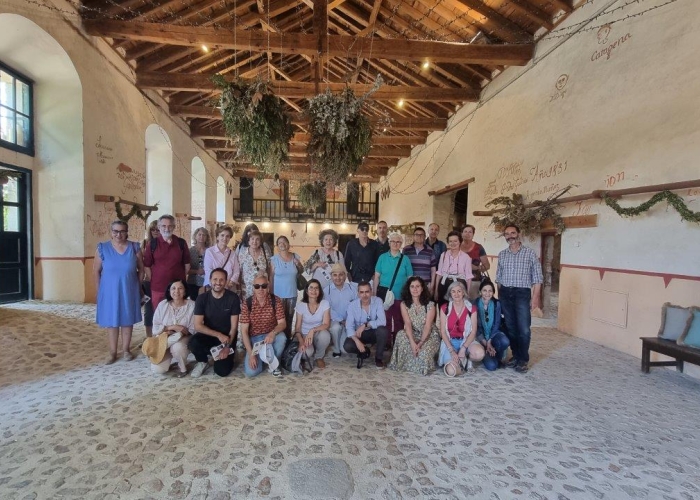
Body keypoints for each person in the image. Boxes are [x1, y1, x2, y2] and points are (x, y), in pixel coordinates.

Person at [495, 224, 543, 373]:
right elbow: (499, 278)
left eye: (513, 233)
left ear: (519, 234)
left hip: (522, 294)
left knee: (523, 329)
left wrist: (535, 298)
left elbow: (538, 278)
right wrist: (499, 297)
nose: (510, 236)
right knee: (511, 328)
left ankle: (523, 359)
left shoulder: (529, 253)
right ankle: (515, 356)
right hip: (505, 294)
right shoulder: (502, 254)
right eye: (507, 234)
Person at [94, 220, 143, 364]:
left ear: (127, 232)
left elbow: (141, 269)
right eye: (115, 231)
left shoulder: (135, 247)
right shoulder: (102, 248)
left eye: (122, 231)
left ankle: (126, 349)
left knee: (127, 320)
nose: (118, 234)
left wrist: (138, 285)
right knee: (112, 321)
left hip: (129, 289)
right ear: (111, 232)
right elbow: (96, 271)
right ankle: (112, 352)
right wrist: (98, 291)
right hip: (108, 291)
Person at [189, 268, 240, 377]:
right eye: (215, 279)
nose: (218, 283)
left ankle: (227, 354)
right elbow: (197, 326)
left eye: (221, 280)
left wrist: (227, 347)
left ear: (226, 281)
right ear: (210, 280)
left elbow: (234, 327)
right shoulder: (202, 298)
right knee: (193, 342)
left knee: (222, 371)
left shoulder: (233, 298)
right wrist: (218, 334)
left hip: (227, 338)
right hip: (209, 334)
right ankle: (203, 361)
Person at [388, 276, 441, 375]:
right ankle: (405, 363)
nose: (415, 289)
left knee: (423, 353)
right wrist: (412, 343)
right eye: (412, 286)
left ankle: (421, 362)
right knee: (400, 335)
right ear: (408, 289)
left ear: (422, 288)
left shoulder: (430, 305)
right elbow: (407, 324)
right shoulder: (404, 304)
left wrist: (420, 343)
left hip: (429, 335)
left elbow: (427, 326)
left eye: (417, 286)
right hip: (414, 333)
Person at [240, 274, 286, 377]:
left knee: (282, 338)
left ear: (268, 287)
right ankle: (263, 357)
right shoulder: (247, 303)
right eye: (257, 286)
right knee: (252, 372)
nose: (260, 289)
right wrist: (251, 354)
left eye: (264, 286)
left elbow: (282, 323)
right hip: (255, 339)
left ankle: (274, 363)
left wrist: (273, 333)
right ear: (253, 288)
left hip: (271, 335)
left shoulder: (276, 300)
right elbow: (244, 331)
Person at [143, 214, 191, 308]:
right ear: (159, 227)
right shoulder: (152, 244)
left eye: (170, 226)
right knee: (159, 315)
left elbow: (187, 265)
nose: (166, 228)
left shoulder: (181, 243)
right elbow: (147, 265)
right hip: (158, 287)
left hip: (177, 288)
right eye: (163, 226)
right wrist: (154, 278)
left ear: (174, 227)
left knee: (178, 313)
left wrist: (179, 276)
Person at [373, 232, 413, 343]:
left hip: (400, 295)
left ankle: (397, 342)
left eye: (398, 242)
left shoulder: (405, 259)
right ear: (389, 243)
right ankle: (385, 342)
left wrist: (409, 295)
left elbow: (410, 278)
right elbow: (377, 277)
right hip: (384, 296)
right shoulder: (382, 257)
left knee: (399, 320)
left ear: (401, 244)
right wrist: (374, 293)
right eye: (393, 241)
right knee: (385, 319)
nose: (395, 244)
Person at [149, 279, 195, 377]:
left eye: (180, 288)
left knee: (177, 348)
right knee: (158, 370)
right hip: (164, 340)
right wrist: (172, 327)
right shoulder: (163, 305)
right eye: (173, 288)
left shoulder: (191, 305)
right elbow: (155, 327)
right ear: (169, 291)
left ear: (185, 291)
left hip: (184, 338)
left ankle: (183, 367)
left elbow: (193, 329)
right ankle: (167, 357)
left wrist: (181, 332)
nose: (176, 291)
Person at [438, 280, 484, 375]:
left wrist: (463, 348)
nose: (456, 294)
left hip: (466, 340)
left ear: (463, 292)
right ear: (450, 293)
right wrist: (451, 350)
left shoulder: (472, 308)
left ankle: (467, 359)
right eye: (453, 291)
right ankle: (462, 363)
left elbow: (473, 331)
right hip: (450, 342)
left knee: (479, 353)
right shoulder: (444, 308)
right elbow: (443, 332)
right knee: (451, 371)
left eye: (459, 291)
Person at [344, 281, 389, 369]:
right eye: (362, 292)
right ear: (358, 293)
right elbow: (349, 326)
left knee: (383, 331)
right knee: (347, 346)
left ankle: (378, 359)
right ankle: (365, 350)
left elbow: (383, 321)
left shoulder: (378, 301)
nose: (364, 295)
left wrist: (365, 325)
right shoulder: (352, 305)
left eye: (367, 292)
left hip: (373, 332)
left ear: (371, 291)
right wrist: (357, 341)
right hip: (359, 334)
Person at [294, 279, 332, 369]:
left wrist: (313, 330)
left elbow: (326, 324)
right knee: (306, 353)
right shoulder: (301, 306)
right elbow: (297, 329)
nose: (314, 291)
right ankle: (309, 350)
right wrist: (301, 342)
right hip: (304, 334)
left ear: (320, 291)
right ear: (307, 291)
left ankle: (319, 357)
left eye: (316, 288)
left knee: (325, 335)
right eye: (311, 288)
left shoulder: (324, 304)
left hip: (317, 332)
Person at [270, 235, 302, 338]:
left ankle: (288, 338)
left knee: (289, 317)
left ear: (288, 244)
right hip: (278, 294)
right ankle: (279, 338)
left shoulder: (295, 256)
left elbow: (302, 270)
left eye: (284, 242)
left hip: (292, 293)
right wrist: (271, 293)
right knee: (279, 318)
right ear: (277, 246)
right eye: (279, 243)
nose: (282, 244)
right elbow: (271, 277)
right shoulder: (274, 259)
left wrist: (298, 264)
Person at [474, 280, 510, 371]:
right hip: (480, 338)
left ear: (493, 292)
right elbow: (476, 327)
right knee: (492, 366)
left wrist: (489, 342)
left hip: (493, 336)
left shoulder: (496, 304)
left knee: (505, 341)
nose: (487, 293)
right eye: (484, 290)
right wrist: (485, 343)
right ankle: (486, 352)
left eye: (490, 291)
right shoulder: (474, 304)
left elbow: (497, 324)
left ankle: (495, 354)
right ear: (480, 292)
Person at [324, 263, 358, 358]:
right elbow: (328, 309)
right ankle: (336, 348)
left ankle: (340, 342)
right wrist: (341, 320)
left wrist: (349, 320)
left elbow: (356, 306)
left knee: (346, 350)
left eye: (340, 275)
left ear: (345, 276)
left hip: (349, 321)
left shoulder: (352, 289)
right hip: (335, 321)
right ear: (331, 276)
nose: (338, 278)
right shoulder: (327, 291)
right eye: (335, 275)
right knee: (336, 328)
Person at [434, 230, 472, 307]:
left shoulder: (466, 257)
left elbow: (468, 277)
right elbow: (439, 273)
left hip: (459, 285)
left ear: (460, 242)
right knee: (443, 307)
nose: (453, 243)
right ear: (448, 242)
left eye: (455, 241)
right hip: (444, 284)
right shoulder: (444, 255)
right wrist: (436, 291)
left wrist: (467, 292)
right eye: (450, 241)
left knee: (457, 309)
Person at [203, 225, 239, 291]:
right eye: (222, 235)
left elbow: (236, 271)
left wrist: (230, 282)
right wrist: (217, 283)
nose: (225, 238)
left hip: (228, 287)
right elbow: (208, 270)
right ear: (217, 237)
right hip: (213, 287)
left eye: (227, 236)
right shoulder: (210, 251)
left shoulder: (232, 254)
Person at [402, 226, 437, 293]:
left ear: (425, 237)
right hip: (411, 285)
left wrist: (432, 285)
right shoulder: (406, 250)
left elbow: (433, 269)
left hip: (425, 285)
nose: (419, 236)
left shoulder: (430, 251)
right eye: (417, 235)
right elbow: (402, 268)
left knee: (425, 303)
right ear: (413, 236)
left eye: (421, 235)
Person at [238, 230, 270, 300]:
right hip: (247, 290)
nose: (254, 242)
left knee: (262, 309)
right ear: (248, 241)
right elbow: (239, 271)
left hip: (262, 289)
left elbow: (269, 269)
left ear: (260, 242)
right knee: (248, 309)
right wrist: (239, 288)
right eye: (252, 239)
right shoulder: (243, 253)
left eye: (257, 239)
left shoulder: (265, 253)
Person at [461, 224, 490, 299]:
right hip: (458, 281)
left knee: (473, 306)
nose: (467, 234)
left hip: (474, 282)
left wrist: (477, 268)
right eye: (465, 231)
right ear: (462, 233)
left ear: (473, 234)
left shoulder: (478, 247)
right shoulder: (457, 246)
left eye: (470, 232)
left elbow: (487, 266)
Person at [141, 220, 160, 337]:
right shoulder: (144, 243)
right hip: (148, 281)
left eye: (158, 229)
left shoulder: (165, 243)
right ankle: (148, 336)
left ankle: (160, 334)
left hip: (161, 280)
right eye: (153, 229)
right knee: (148, 309)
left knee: (161, 307)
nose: (155, 232)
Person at [187, 227, 210, 300]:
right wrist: (197, 271)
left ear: (207, 237)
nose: (201, 237)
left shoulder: (210, 251)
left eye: (204, 235)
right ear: (195, 236)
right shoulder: (190, 251)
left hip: (206, 282)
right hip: (192, 281)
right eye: (199, 234)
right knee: (193, 302)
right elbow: (186, 268)